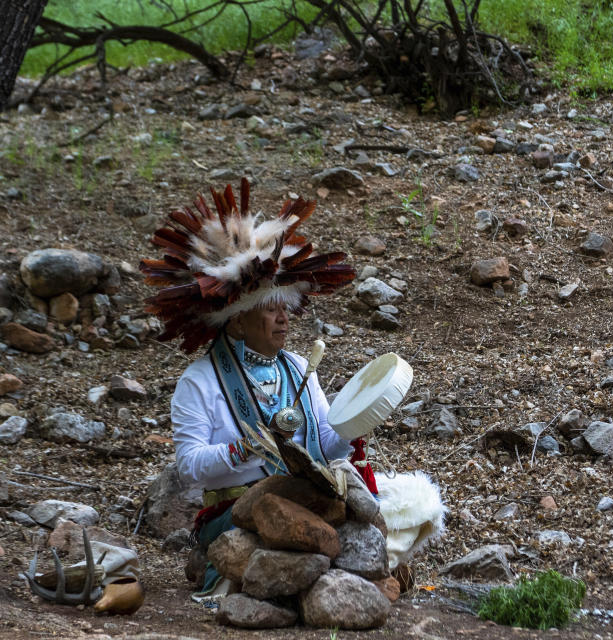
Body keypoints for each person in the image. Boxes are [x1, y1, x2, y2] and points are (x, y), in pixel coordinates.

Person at [141, 178, 445, 601]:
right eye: (270, 309)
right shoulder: (201, 381)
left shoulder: (299, 366)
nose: (284, 319)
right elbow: (189, 467)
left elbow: (322, 444)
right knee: (300, 525)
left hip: (305, 497)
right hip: (237, 510)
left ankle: (335, 576)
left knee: (417, 506)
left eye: (285, 308)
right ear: (236, 320)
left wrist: (357, 421)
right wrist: (243, 450)